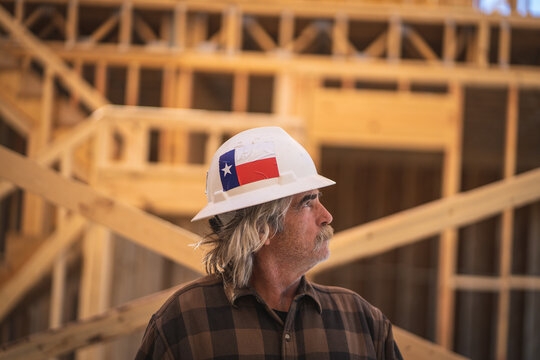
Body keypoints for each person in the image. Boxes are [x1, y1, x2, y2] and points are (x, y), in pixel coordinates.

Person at [136, 127, 403, 359]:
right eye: (307, 202)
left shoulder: (362, 322)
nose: (327, 216)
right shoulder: (184, 321)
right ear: (261, 228)